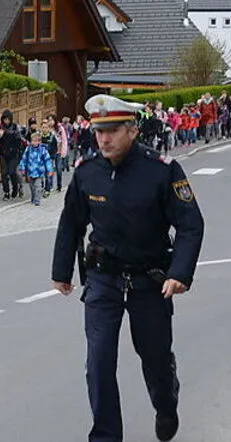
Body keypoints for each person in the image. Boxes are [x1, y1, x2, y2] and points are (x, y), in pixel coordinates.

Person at [51, 95, 205, 442]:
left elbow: (191, 224)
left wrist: (179, 273)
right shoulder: (87, 171)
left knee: (154, 357)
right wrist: (62, 270)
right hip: (103, 279)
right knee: (99, 362)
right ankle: (105, 436)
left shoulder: (161, 170)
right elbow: (71, 222)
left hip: (149, 281)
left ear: (133, 130)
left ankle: (166, 403)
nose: (104, 139)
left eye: (113, 131)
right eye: (98, 131)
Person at [0, 110, 25, 201]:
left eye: (8, 119)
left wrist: (17, 150)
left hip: (13, 154)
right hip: (3, 154)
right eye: (5, 119)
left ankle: (15, 188)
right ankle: (6, 192)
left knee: (12, 172)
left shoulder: (15, 128)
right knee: (4, 173)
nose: (6, 121)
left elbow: (19, 141)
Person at [20, 132, 55, 206]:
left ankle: (37, 199)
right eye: (33, 141)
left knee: (37, 186)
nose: (34, 142)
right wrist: (22, 168)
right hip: (30, 171)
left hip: (39, 172)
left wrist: (49, 170)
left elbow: (47, 160)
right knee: (32, 187)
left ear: (39, 142)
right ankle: (33, 197)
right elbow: (24, 159)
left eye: (36, 141)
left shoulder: (43, 150)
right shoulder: (28, 149)